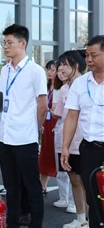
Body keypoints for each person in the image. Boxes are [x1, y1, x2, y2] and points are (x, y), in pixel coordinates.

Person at [0, 24, 47, 228]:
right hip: (4, 136)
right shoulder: (5, 70)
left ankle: (36, 224)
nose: (5, 46)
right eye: (4, 43)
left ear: (23, 43)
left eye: (9, 43)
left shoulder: (35, 71)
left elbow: (42, 105)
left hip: (25, 137)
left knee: (31, 186)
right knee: (11, 186)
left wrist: (34, 128)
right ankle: (12, 222)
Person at [61, 35, 104, 228]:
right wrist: (65, 147)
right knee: (93, 198)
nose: (88, 60)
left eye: (93, 55)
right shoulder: (80, 83)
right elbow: (71, 116)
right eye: (87, 55)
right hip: (90, 148)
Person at [54, 51, 87, 228]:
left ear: (76, 65)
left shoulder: (87, 84)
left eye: (65, 64)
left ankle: (91, 219)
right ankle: (81, 219)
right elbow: (60, 114)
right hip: (66, 141)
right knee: (74, 180)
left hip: (85, 141)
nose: (61, 68)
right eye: (60, 65)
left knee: (88, 182)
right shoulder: (65, 89)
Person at [52, 65, 75, 214]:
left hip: (75, 133)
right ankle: (63, 197)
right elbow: (57, 113)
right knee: (61, 168)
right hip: (61, 130)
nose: (60, 74)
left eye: (63, 70)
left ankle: (74, 203)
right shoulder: (62, 89)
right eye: (58, 72)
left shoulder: (78, 87)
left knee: (74, 172)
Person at [39, 60, 58, 194]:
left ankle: (65, 193)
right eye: (48, 69)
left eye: (52, 69)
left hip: (56, 124)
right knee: (44, 154)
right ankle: (43, 186)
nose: (49, 72)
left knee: (57, 154)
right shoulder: (44, 88)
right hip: (45, 123)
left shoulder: (60, 89)